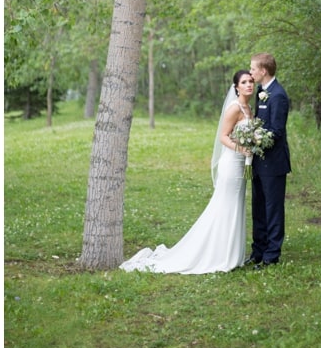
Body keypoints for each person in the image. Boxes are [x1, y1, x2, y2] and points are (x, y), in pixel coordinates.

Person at [120, 70, 255, 274]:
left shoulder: (248, 108)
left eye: (251, 81)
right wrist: (241, 149)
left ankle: (232, 253)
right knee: (225, 205)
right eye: (244, 82)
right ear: (236, 87)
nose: (249, 85)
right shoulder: (234, 108)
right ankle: (217, 254)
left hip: (242, 164)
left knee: (237, 205)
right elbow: (223, 137)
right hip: (231, 164)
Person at [246, 52, 290, 269]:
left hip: (273, 164)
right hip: (257, 162)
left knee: (273, 209)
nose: (251, 72)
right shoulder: (262, 92)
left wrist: (256, 139)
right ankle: (258, 250)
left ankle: (271, 255)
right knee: (258, 207)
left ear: (263, 71)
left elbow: (276, 131)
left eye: (253, 69)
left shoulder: (278, 95)